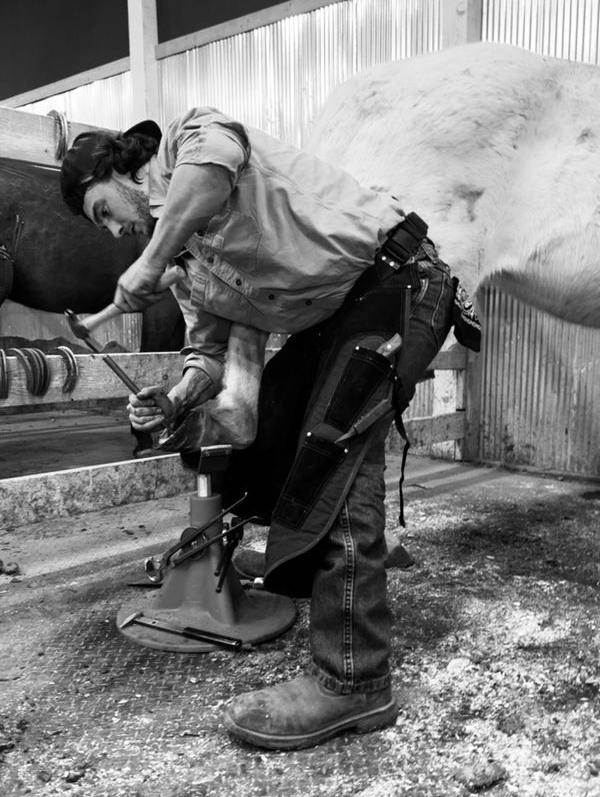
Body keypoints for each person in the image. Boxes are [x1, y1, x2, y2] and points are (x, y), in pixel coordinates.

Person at [60, 107, 480, 751]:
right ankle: (310, 573)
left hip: (397, 278)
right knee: (274, 439)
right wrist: (171, 401)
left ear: (119, 167)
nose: (116, 231)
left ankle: (355, 679)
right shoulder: (191, 270)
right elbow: (210, 358)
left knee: (328, 463)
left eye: (103, 211)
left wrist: (151, 257)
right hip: (337, 318)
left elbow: (214, 171)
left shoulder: (189, 141)